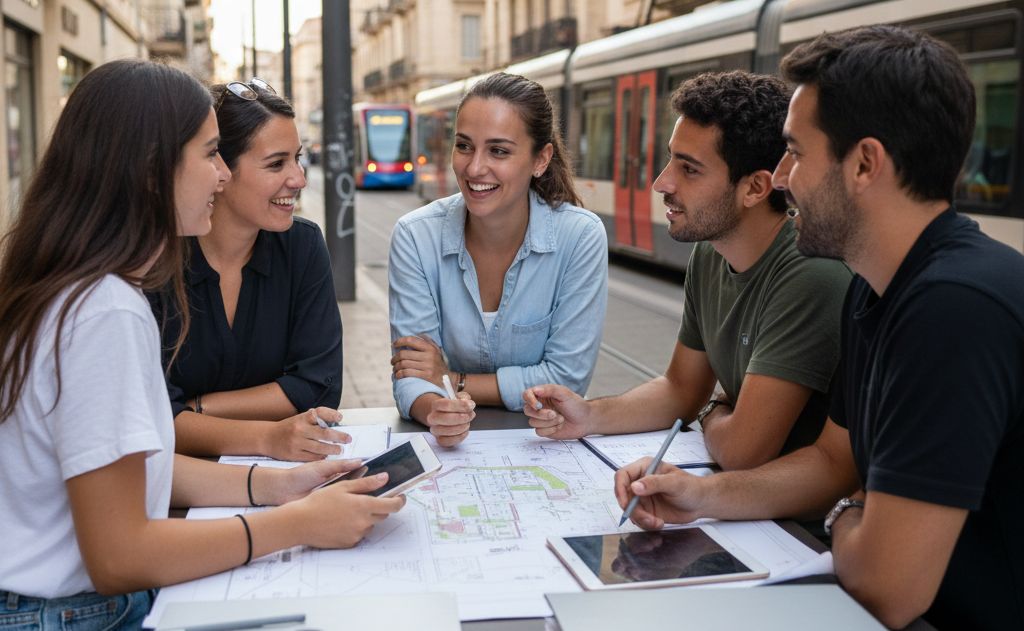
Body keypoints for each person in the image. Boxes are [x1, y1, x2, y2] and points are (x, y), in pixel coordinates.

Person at [613, 26, 1024, 630]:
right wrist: (699, 496)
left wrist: (842, 514)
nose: (779, 178)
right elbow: (834, 462)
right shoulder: (874, 286)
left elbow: (888, 586)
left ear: (864, 164)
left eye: (796, 153)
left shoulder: (953, 310)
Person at [0, 59, 404, 630]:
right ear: (151, 171)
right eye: (211, 153)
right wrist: (298, 524)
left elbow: (143, 471)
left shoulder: (88, 291)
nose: (221, 175)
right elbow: (118, 556)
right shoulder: (103, 312)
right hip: (74, 612)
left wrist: (279, 485)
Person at [525, 71, 852, 470]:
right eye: (670, 160)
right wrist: (589, 416)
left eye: (689, 169)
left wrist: (710, 407)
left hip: (795, 522)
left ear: (754, 188)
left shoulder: (810, 274)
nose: (662, 183)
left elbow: (741, 451)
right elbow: (680, 389)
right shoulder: (710, 254)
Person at [389, 72, 608, 447]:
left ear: (541, 159)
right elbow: (412, 373)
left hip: (543, 446)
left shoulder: (580, 236)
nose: (474, 168)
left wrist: (452, 380)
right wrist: (435, 411)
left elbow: (566, 378)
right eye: (464, 146)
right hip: (449, 448)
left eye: (499, 151)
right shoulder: (415, 235)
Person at [149, 78, 345, 462]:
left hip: (278, 469)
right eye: (276, 164)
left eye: (298, 158)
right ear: (219, 169)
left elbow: (319, 387)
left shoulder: (302, 245)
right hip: (174, 485)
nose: (299, 179)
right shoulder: (155, 259)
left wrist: (197, 409)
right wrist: (269, 432)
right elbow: (153, 417)